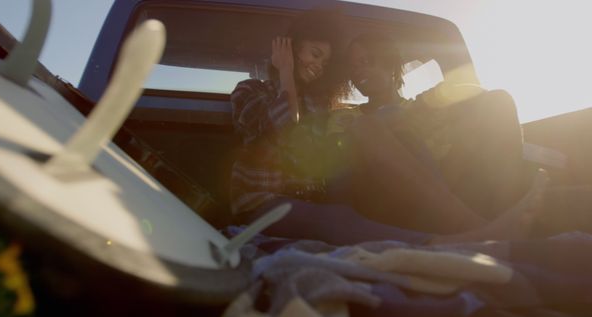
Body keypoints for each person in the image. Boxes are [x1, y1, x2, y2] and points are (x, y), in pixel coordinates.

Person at [229, 10, 548, 246]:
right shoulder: (250, 91)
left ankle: (488, 223)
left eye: (325, 61)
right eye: (313, 53)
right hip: (265, 199)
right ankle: (469, 236)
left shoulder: (318, 106)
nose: (318, 65)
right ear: (289, 47)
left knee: (494, 102)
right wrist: (285, 71)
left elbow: (313, 161)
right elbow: (286, 125)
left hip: (316, 193)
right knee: (355, 167)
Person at [326, 32, 536, 234]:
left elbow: (474, 92)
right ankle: (478, 227)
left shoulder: (422, 107)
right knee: (392, 134)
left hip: (446, 186)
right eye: (353, 66)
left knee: (499, 100)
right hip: (385, 200)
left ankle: (506, 213)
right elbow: (338, 166)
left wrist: (439, 100)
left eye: (366, 61)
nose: (358, 71)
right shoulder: (345, 117)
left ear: (389, 63)